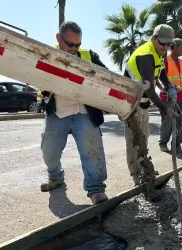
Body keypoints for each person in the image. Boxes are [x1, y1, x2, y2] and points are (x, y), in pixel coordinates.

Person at [39, 21, 108, 205]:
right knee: (48, 151)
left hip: (84, 112)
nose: (74, 48)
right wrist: (45, 92)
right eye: (70, 44)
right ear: (58, 38)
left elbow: (107, 77)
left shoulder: (89, 55)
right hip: (57, 112)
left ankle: (95, 189)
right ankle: (56, 177)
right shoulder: (46, 54)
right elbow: (36, 78)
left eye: (78, 44)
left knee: (92, 151)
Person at [124, 24, 179, 186]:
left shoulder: (159, 52)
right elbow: (151, 91)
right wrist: (165, 109)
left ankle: (145, 169)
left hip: (143, 101)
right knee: (134, 140)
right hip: (130, 103)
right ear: (153, 38)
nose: (166, 48)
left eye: (169, 45)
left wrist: (168, 85)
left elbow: (161, 71)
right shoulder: (146, 55)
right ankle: (136, 175)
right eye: (163, 44)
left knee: (144, 138)